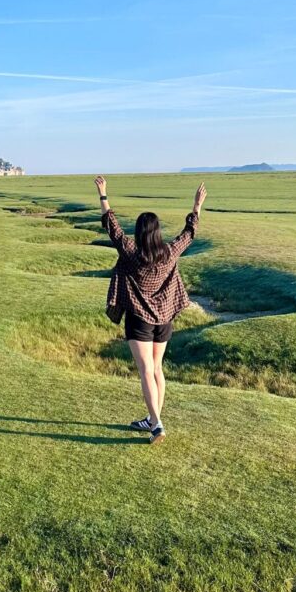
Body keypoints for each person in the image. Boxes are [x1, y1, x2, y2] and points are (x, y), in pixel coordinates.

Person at [93, 176, 207, 445]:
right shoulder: (168, 252)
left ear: (139, 232)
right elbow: (188, 234)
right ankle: (152, 417)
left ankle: (156, 424)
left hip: (140, 321)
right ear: (156, 232)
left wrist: (103, 194)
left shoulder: (132, 252)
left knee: (145, 370)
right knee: (157, 369)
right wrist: (197, 206)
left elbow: (113, 229)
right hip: (164, 320)